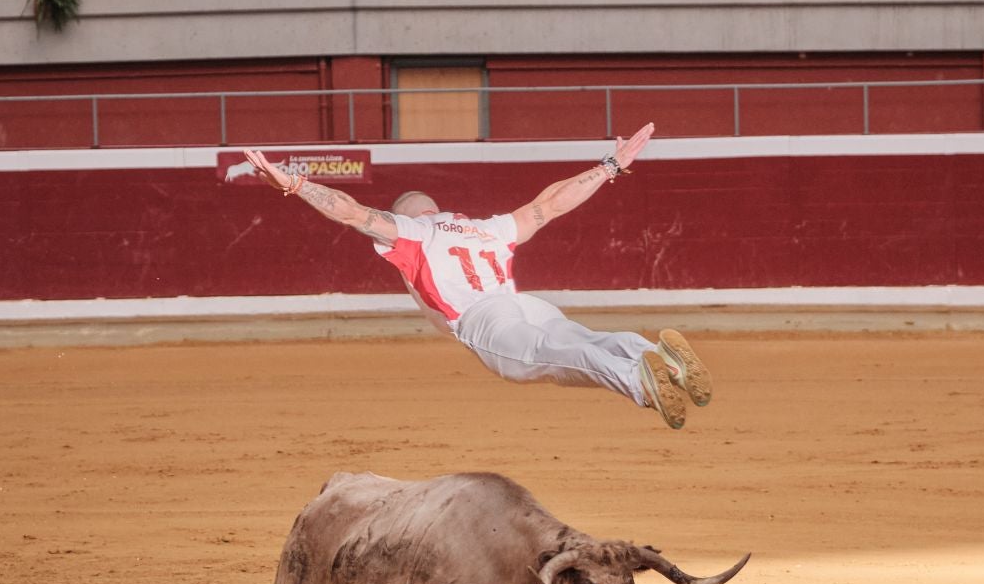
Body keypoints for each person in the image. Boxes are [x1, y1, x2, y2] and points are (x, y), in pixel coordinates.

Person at [237, 125, 712, 430]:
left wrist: (295, 184)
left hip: (483, 317)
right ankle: (654, 355)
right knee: (583, 336)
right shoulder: (486, 227)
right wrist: (609, 167)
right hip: (524, 302)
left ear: (409, 213)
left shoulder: (412, 232)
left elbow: (351, 212)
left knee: (551, 356)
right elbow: (550, 204)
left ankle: (639, 380)